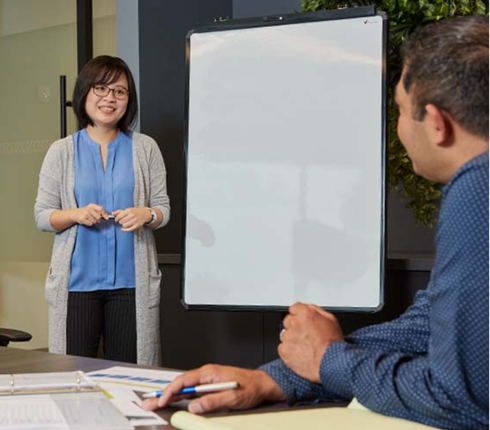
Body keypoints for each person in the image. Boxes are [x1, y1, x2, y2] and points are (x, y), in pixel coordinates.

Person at [143, 15, 489, 429]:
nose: (396, 128)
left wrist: (329, 360)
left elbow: (461, 399)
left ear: (436, 123)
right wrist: (277, 377)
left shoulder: (477, 188)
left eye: (397, 109)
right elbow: (430, 323)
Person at [35, 55, 170, 366]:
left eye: (120, 91)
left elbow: (164, 208)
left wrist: (146, 215)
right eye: (101, 88)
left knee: (132, 377)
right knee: (72, 373)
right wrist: (75, 214)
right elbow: (42, 215)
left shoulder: (145, 148)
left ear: (128, 100)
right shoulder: (62, 151)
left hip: (132, 285)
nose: (110, 98)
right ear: (85, 94)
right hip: (75, 286)